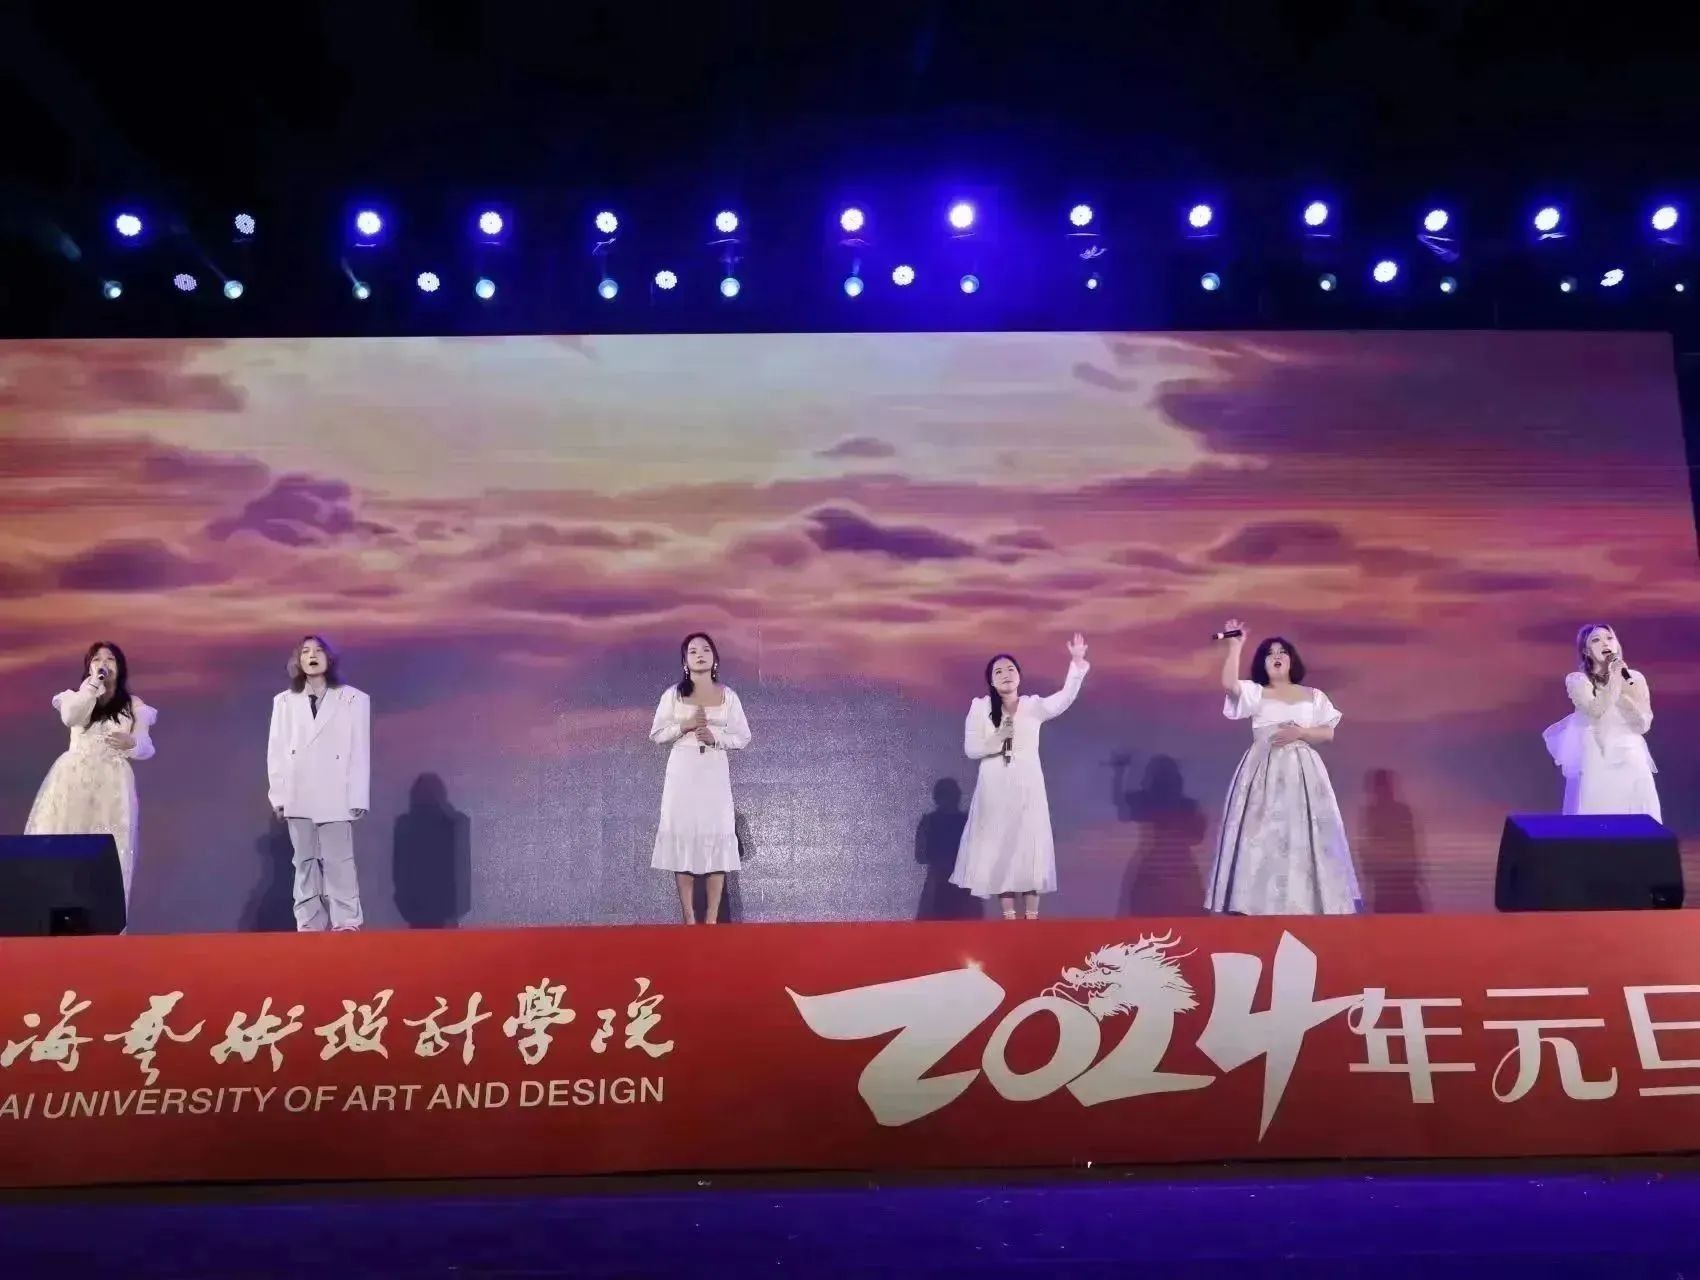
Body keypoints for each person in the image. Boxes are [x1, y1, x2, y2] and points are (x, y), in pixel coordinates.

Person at [1206, 620, 1361, 915]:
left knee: (1304, 832)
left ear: (1291, 660)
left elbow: (1328, 733)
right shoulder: (1256, 692)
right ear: (1263, 664)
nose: (1276, 657)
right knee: (1261, 835)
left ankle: (1307, 902)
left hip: (1302, 773)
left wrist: (1301, 732)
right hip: (1262, 772)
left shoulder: (1313, 695)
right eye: (1269, 654)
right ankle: (1255, 903)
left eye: (1282, 652)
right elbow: (1229, 685)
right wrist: (1235, 647)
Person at [950, 633, 1090, 920]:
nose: (1005, 674)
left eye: (1010, 669)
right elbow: (971, 749)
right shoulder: (980, 708)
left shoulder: (1032, 706)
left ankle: (1032, 918)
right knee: (1001, 846)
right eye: (998, 671)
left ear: (1019, 676)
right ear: (991, 681)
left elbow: (1064, 698)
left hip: (1028, 787)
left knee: (1029, 845)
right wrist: (998, 739)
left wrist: (1076, 664)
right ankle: (1010, 918)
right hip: (995, 789)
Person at [25, 641, 157, 910]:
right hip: (72, 779)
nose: (103, 664)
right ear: (88, 667)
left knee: (106, 855)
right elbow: (71, 718)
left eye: (110, 659)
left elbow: (146, 747)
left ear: (120, 667)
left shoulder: (133, 705)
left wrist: (131, 743)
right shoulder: (75, 697)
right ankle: (54, 919)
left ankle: (102, 923)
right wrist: (91, 687)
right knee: (62, 848)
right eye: (97, 659)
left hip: (112, 785)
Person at [267, 635, 370, 932]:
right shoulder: (284, 702)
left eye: (318, 650)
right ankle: (309, 922)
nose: (312, 656)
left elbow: (360, 750)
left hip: (336, 790)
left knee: (339, 860)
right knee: (304, 861)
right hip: (298, 790)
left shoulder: (353, 699)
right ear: (298, 660)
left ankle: (346, 921)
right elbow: (276, 751)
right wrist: (279, 796)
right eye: (305, 651)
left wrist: (358, 797)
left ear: (330, 657)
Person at [649, 633, 751, 924]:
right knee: (683, 835)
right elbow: (657, 734)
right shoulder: (673, 695)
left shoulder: (728, 696)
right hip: (682, 772)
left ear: (715, 658)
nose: (700, 654)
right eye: (693, 651)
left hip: (714, 772)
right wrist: (686, 726)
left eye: (706, 649)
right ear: (685, 661)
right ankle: (689, 917)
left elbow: (743, 736)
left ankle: (711, 919)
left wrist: (715, 737)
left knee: (717, 834)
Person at [1542, 623, 1659, 820]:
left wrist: (1628, 700)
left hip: (1630, 753)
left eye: (1609, 638)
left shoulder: (1634, 678)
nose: (1605, 643)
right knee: (1598, 815)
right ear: (1586, 651)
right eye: (1596, 640)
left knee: (1638, 815)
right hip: (1597, 752)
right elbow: (1596, 710)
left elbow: (1643, 725)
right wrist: (1614, 679)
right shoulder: (1578, 680)